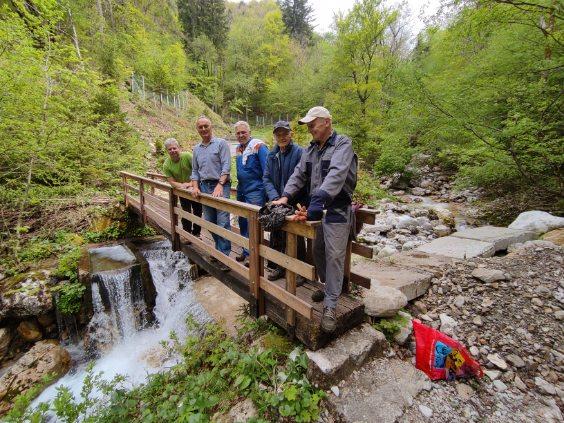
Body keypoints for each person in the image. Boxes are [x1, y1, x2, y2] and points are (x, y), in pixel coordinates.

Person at [272, 106, 357, 333]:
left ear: (327, 122)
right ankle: (329, 287)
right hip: (317, 209)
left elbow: (337, 174)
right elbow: (299, 174)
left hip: (337, 209)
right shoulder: (310, 149)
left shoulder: (342, 144)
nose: (310, 129)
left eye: (313, 124)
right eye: (308, 125)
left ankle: (330, 304)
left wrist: (317, 202)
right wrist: (285, 196)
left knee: (335, 256)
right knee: (318, 252)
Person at [263, 121, 308, 282]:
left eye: (285, 134)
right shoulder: (272, 154)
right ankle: (280, 267)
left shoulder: (299, 152)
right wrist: (276, 198)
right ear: (275, 136)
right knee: (277, 233)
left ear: (291, 134)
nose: (282, 137)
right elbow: (266, 178)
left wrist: (287, 198)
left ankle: (301, 272)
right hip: (277, 201)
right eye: (278, 134)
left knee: (296, 236)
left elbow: (302, 178)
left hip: (295, 201)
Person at [190, 116, 232, 270]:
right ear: (197, 129)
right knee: (209, 221)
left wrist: (220, 184)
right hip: (204, 187)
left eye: (206, 126)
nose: (203, 129)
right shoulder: (196, 149)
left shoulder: (221, 143)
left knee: (223, 222)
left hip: (221, 185)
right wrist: (195, 186)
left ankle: (224, 257)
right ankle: (220, 249)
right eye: (200, 127)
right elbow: (195, 171)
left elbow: (226, 166)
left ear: (211, 126)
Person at [234, 121, 269, 264]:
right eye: (238, 133)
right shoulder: (238, 148)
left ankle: (254, 256)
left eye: (243, 132)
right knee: (242, 220)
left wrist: (267, 192)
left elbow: (267, 170)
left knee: (253, 223)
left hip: (256, 190)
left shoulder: (258, 146)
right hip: (242, 189)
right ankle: (246, 250)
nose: (241, 135)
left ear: (249, 132)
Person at [162, 138, 202, 237]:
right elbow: (171, 182)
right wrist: (183, 185)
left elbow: (198, 171)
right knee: (185, 211)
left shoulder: (187, 156)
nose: (172, 151)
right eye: (170, 149)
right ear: (167, 151)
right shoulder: (167, 164)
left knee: (197, 211)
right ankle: (187, 234)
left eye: (174, 148)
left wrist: (191, 184)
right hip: (182, 190)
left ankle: (196, 233)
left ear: (179, 148)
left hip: (195, 187)